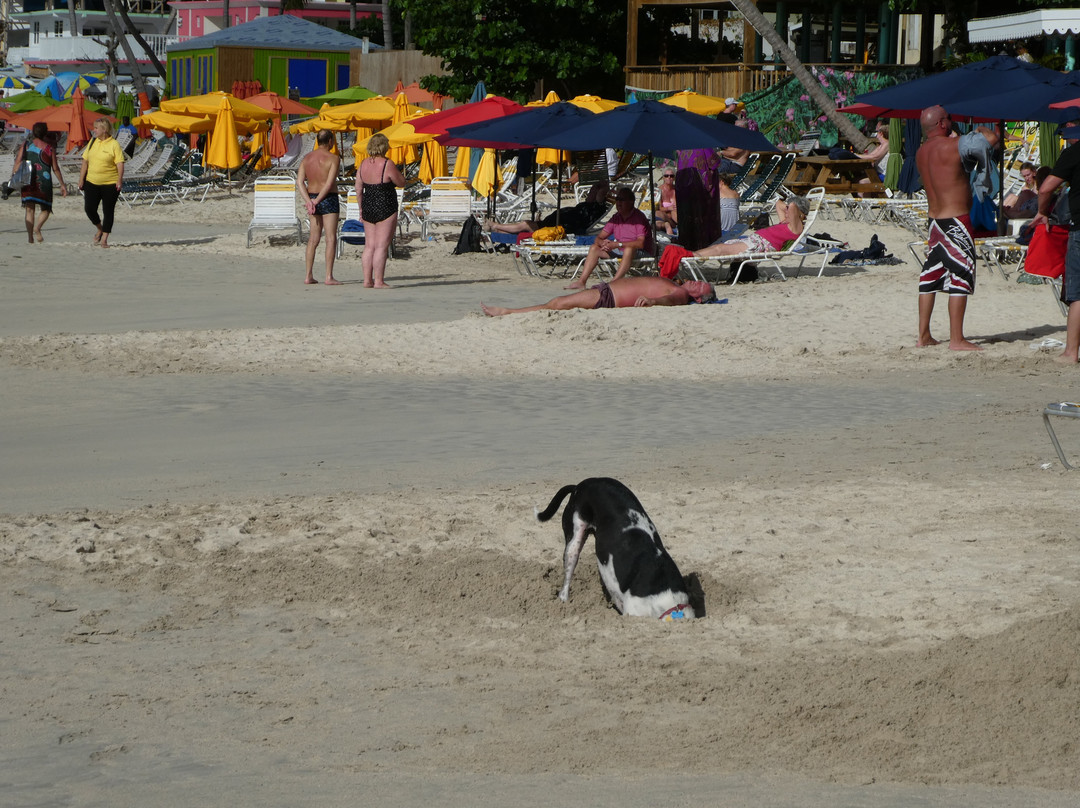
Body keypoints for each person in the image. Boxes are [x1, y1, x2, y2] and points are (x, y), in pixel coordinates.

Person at [915, 105, 999, 351]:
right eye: (949, 119)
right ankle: (957, 339)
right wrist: (980, 127)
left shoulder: (921, 152)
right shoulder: (954, 146)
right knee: (961, 275)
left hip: (934, 222)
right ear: (942, 123)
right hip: (956, 221)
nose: (952, 122)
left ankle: (923, 336)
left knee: (930, 276)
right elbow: (991, 139)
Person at [1033, 126, 1080, 364]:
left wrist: (1042, 211)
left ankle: (1071, 352)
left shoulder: (1074, 152)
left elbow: (1045, 187)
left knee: (1078, 293)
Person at [481, 277, 716, 316]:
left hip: (609, 297)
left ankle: (507, 312)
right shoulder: (675, 283)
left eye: (700, 287)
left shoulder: (682, 294)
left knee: (557, 304)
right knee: (557, 304)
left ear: (697, 298)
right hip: (607, 291)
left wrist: (653, 301)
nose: (696, 282)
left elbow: (671, 300)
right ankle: (508, 311)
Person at [564, 186, 653, 290]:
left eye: (622, 200)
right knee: (594, 248)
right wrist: (602, 243)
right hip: (620, 250)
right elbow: (599, 237)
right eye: (617, 199)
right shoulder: (616, 217)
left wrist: (617, 244)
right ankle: (581, 281)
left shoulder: (638, 217)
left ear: (631, 202)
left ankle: (614, 283)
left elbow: (640, 243)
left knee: (629, 249)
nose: (618, 203)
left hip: (640, 252)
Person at [356, 131, 406, 288]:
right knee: (381, 245)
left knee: (369, 245)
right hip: (385, 204)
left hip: (368, 204)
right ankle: (378, 280)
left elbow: (358, 189)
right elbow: (401, 182)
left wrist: (360, 208)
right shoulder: (387, 164)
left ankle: (366, 280)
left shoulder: (363, 164)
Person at [692, 194, 809, 258]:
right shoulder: (785, 222)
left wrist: (794, 206)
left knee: (720, 249)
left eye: (788, 209)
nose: (786, 210)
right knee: (718, 247)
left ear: (799, 214)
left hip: (759, 245)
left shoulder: (796, 226)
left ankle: (689, 257)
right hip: (754, 240)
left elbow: (793, 205)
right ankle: (689, 255)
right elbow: (778, 204)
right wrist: (788, 207)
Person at [296, 129, 342, 286]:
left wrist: (310, 201)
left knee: (313, 239)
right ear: (330, 141)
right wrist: (316, 202)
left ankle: (308, 275)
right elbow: (329, 184)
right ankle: (328, 276)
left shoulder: (306, 158)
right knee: (330, 238)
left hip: (312, 197)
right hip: (327, 197)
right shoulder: (334, 158)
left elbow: (300, 182)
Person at [488, 181, 608, 236]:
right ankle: (498, 231)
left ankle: (496, 226)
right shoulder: (587, 206)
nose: (590, 193)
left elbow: (603, 187)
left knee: (526, 224)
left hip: (560, 228)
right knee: (526, 228)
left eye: (593, 191)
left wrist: (602, 187)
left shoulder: (595, 208)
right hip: (555, 223)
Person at [16, 122, 67, 244]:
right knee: (46, 208)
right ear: (45, 133)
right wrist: (62, 184)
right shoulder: (49, 149)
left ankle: (30, 237)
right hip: (44, 181)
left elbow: (17, 162)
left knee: (29, 209)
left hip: (28, 180)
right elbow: (55, 168)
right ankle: (37, 227)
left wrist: (14, 179)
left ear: (33, 132)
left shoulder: (26, 145)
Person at [78, 117, 125, 248]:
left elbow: (120, 163)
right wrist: (81, 179)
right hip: (92, 182)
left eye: (97, 128)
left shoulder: (114, 144)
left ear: (104, 130)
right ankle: (100, 227)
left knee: (108, 211)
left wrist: (119, 179)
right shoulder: (93, 142)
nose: (94, 130)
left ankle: (104, 239)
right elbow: (85, 161)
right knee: (89, 209)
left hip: (110, 183)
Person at [655, 169, 677, 234]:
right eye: (666, 176)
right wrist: (668, 208)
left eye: (671, 176)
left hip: (676, 217)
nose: (669, 178)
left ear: (674, 178)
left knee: (674, 212)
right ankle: (668, 225)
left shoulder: (677, 190)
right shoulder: (659, 191)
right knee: (657, 213)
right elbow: (659, 208)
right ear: (663, 177)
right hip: (666, 217)